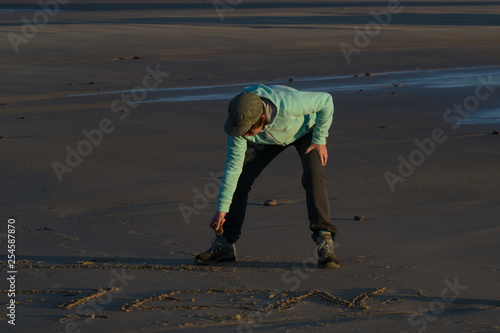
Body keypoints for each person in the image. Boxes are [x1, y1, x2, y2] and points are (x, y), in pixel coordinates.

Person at [195, 84, 339, 269]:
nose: (242, 135)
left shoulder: (289, 105)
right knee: (240, 180)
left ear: (262, 117)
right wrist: (221, 210)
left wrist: (320, 138)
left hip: (304, 130)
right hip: (266, 140)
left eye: (247, 132)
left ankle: (324, 239)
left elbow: (326, 100)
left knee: (314, 176)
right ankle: (225, 245)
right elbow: (232, 168)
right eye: (240, 132)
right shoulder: (239, 127)